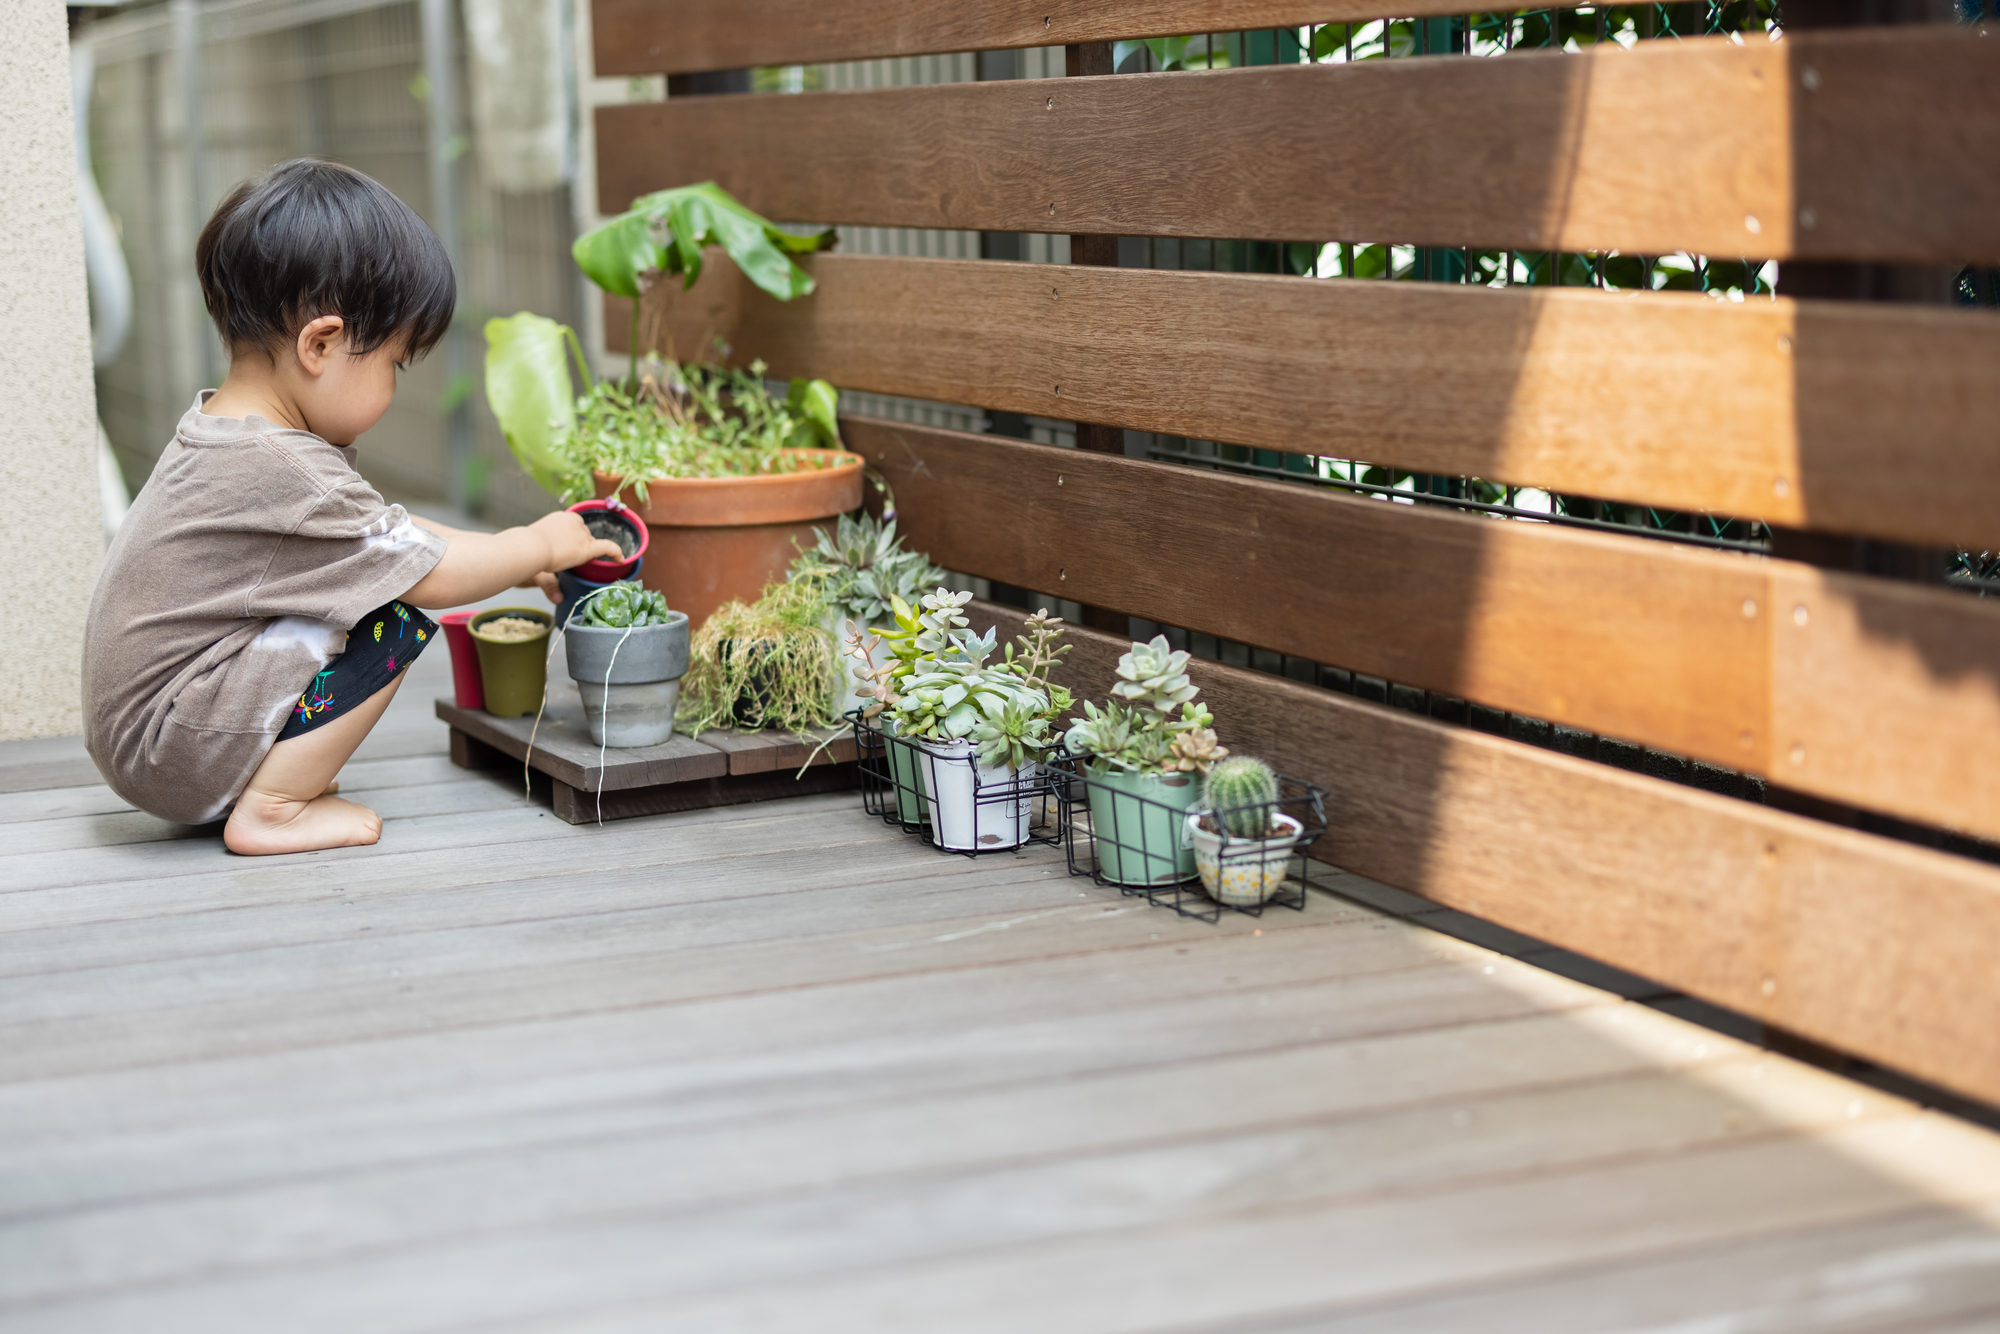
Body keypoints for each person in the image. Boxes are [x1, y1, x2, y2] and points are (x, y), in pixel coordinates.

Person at [81, 159, 620, 856]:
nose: (393, 385)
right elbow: (422, 571)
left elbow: (387, 537)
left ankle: (264, 774)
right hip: (172, 751)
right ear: (321, 344)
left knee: (374, 573)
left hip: (153, 735)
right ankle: (273, 806)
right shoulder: (282, 468)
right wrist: (540, 545)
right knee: (395, 612)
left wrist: (517, 557)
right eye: (393, 362)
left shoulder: (230, 434)